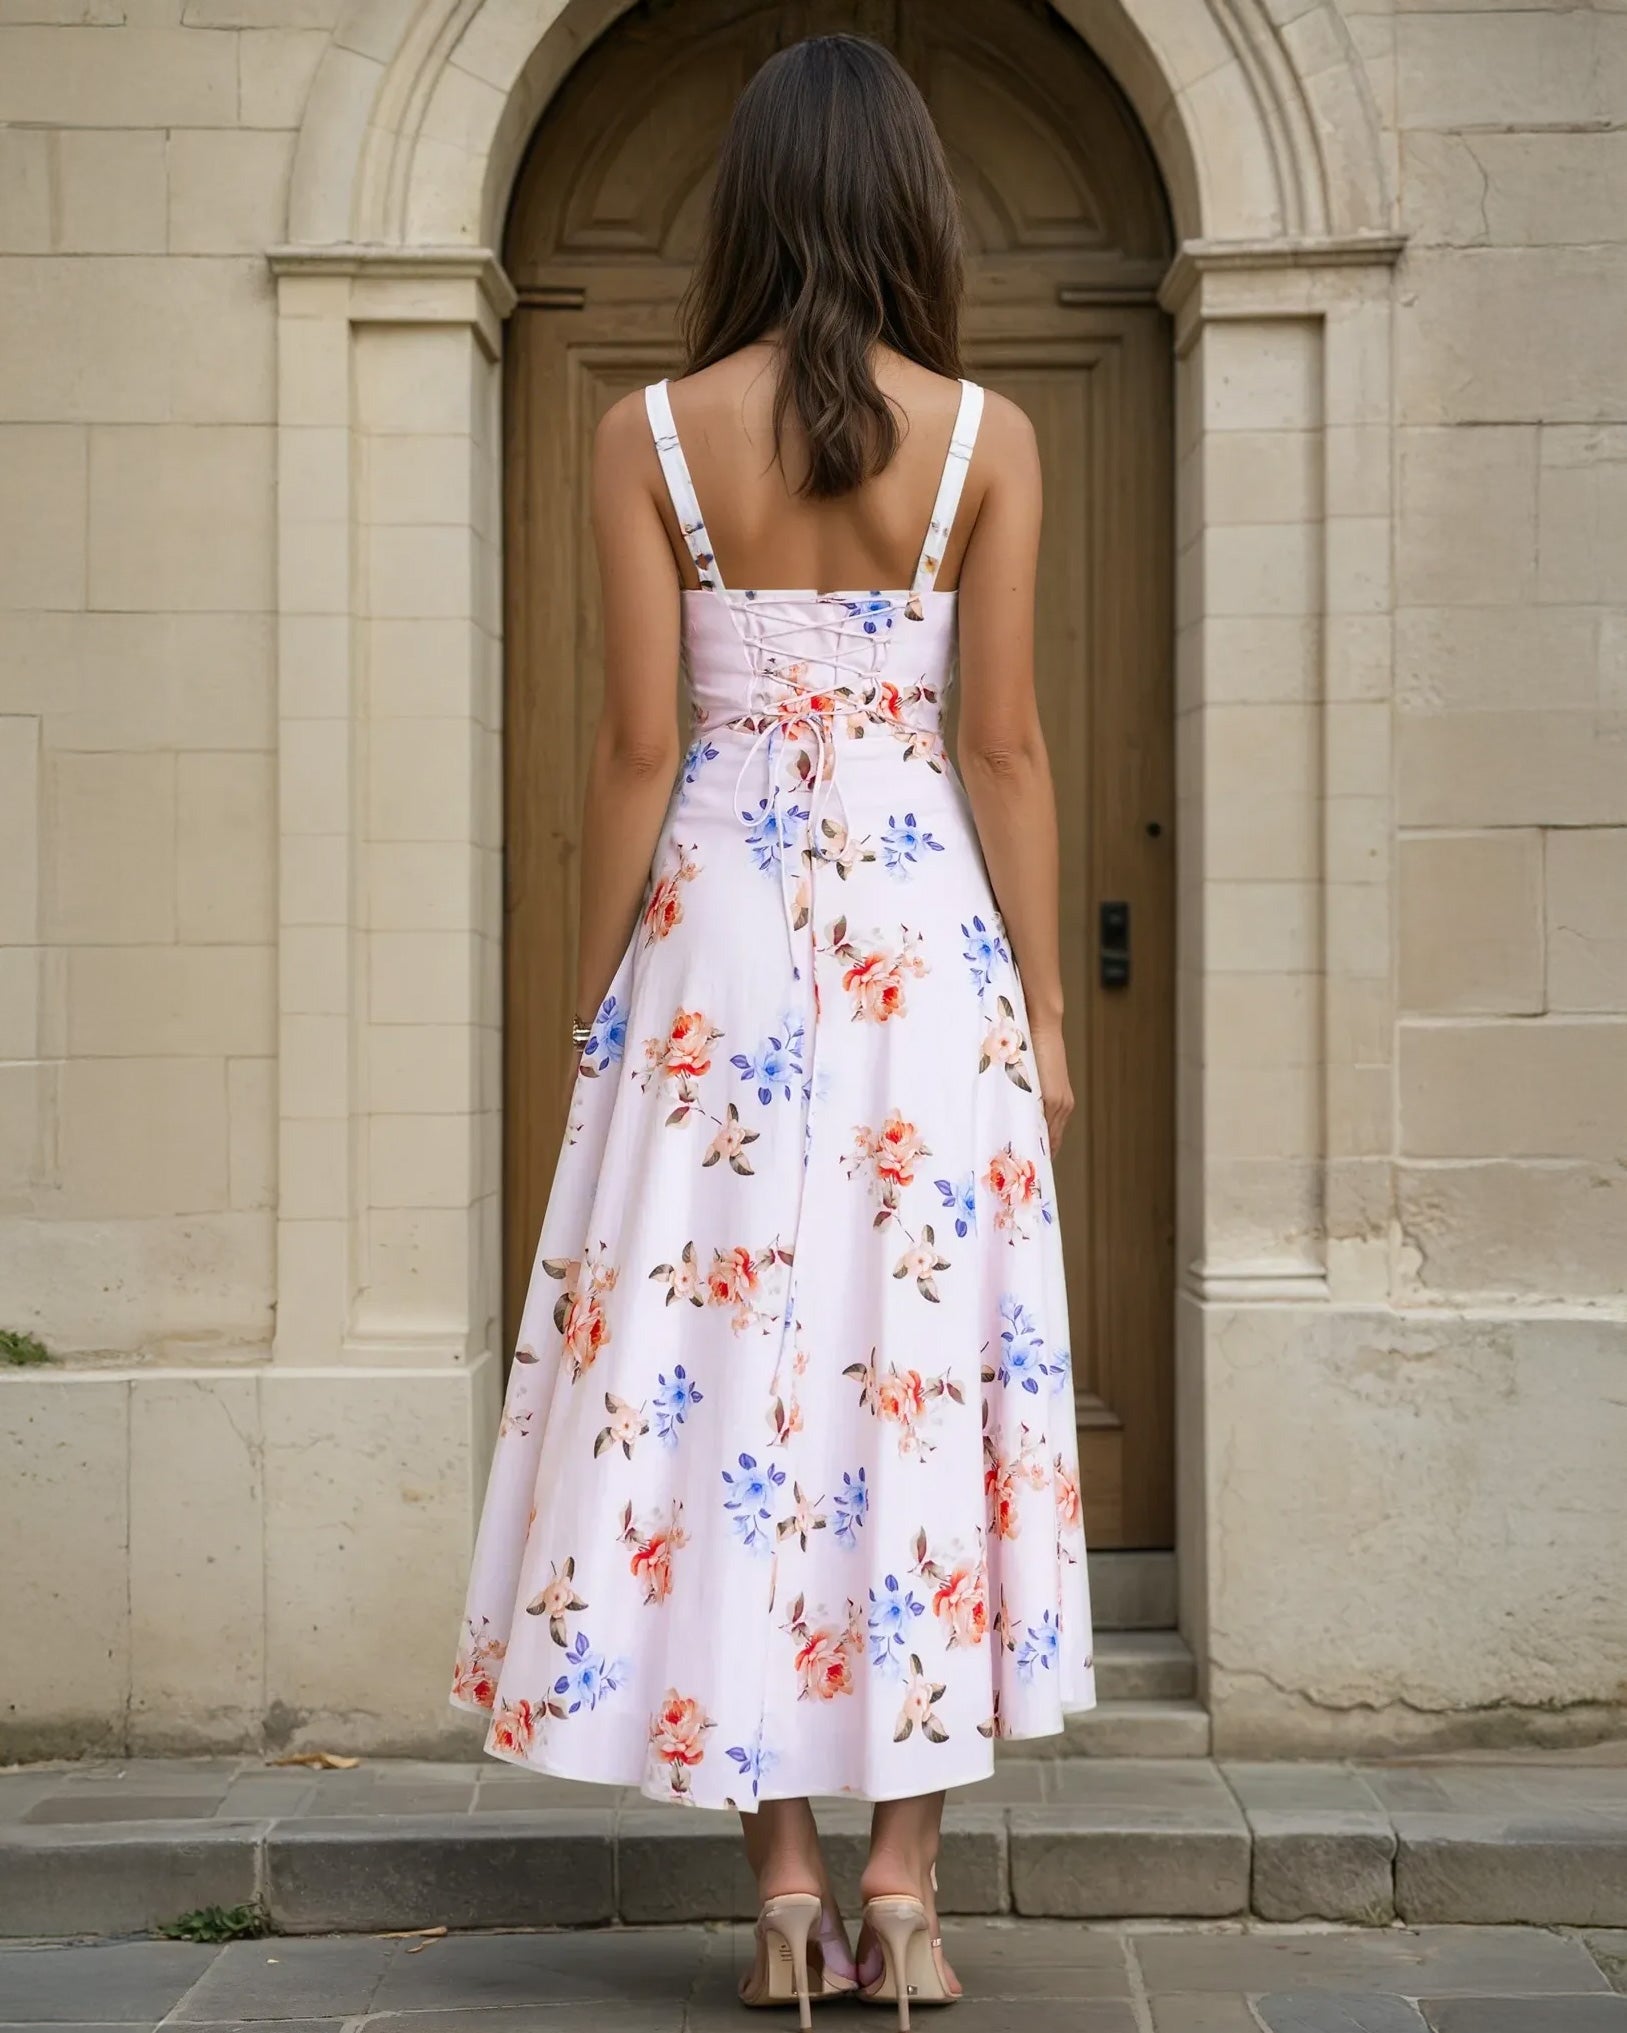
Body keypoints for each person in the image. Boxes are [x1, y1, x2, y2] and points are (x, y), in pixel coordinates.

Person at [451, 32, 1095, 2026]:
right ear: (913, 206)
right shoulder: (988, 437)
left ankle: (780, 1893)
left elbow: (642, 746)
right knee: (907, 1382)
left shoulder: (646, 431)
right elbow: (995, 742)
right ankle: (901, 1897)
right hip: (923, 947)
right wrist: (1049, 1015)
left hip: (716, 952)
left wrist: (595, 1003)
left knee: (730, 1389)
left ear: (744, 208)